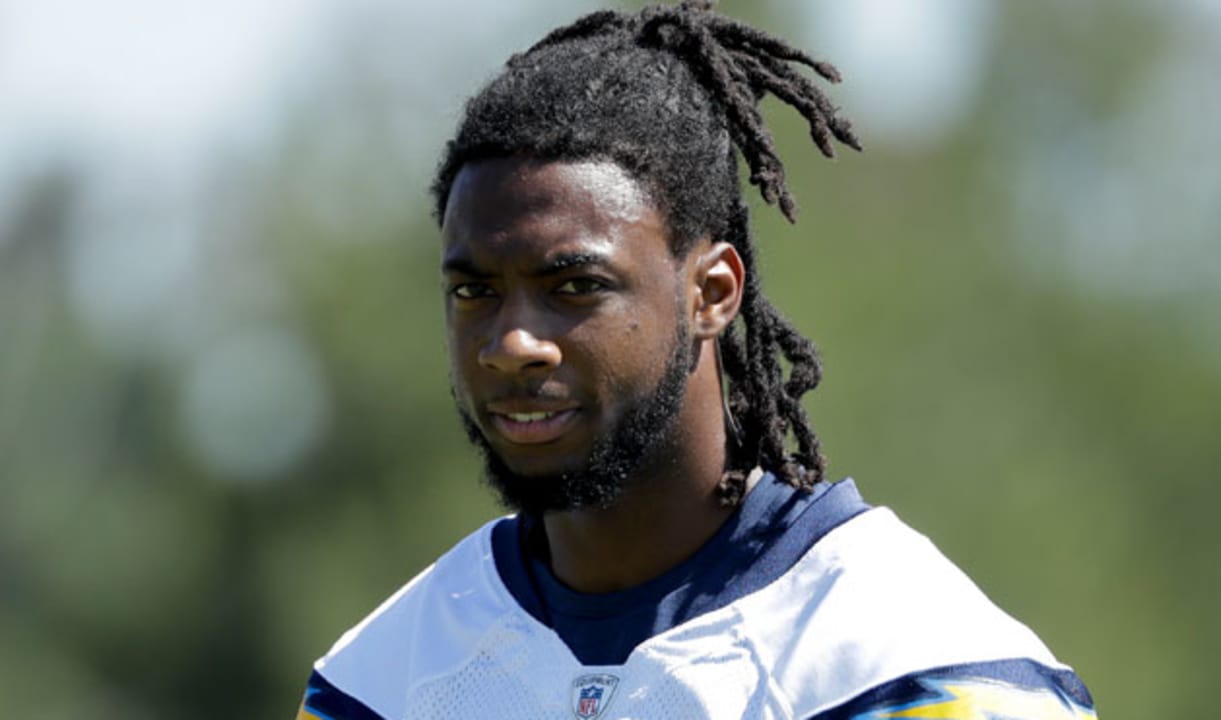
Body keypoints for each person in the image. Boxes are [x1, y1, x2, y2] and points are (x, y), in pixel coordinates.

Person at [295, 2, 1097, 718]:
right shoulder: (379, 683)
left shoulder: (908, 668)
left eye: (575, 285)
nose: (512, 343)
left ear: (712, 291)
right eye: (475, 293)